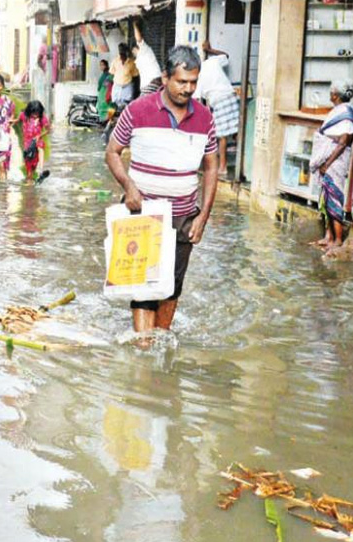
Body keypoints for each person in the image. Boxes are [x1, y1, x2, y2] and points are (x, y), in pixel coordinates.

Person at [105, 46, 218, 335]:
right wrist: (129, 187)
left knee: (172, 288)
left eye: (193, 82)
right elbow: (112, 152)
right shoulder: (137, 110)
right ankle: (144, 348)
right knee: (142, 288)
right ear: (166, 77)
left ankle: (161, 342)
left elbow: (211, 168)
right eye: (182, 81)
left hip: (184, 218)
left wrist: (203, 217)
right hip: (142, 215)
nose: (188, 89)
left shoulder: (205, 118)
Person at [310, 80, 353, 253]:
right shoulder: (339, 111)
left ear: (335, 95)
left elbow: (343, 141)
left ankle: (337, 239)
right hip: (329, 161)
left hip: (336, 162)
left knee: (334, 198)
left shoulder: (346, 112)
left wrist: (327, 163)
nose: (330, 94)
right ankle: (328, 236)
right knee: (325, 198)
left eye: (331, 92)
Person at [193, 41, 240, 176]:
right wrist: (210, 50)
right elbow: (226, 56)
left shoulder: (198, 77)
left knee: (222, 137)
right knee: (236, 132)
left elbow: (197, 101)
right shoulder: (211, 62)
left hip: (220, 101)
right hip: (231, 96)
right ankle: (242, 164)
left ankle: (223, 167)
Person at [18, 100, 51, 183]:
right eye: (34, 113)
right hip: (27, 145)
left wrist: (39, 136)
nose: (36, 115)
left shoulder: (42, 118)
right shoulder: (24, 116)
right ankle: (30, 183)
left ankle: (41, 170)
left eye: (37, 113)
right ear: (29, 111)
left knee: (40, 148)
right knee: (29, 168)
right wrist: (10, 122)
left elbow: (48, 130)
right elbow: (17, 120)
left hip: (37, 140)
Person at [132, 21, 163, 95]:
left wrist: (134, 25)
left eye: (133, 50)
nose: (133, 52)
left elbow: (139, 39)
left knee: (142, 104)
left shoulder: (144, 50)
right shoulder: (140, 57)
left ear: (137, 48)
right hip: (151, 83)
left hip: (152, 82)